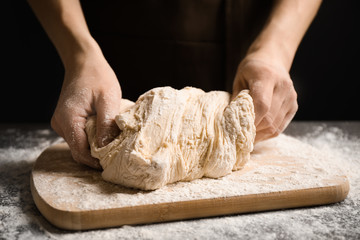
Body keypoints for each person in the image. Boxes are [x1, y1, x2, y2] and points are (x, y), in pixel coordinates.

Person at [27, 0, 322, 169]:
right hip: (124, 37)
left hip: (257, 30)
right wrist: (80, 53)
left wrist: (276, 48)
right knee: (110, 128)